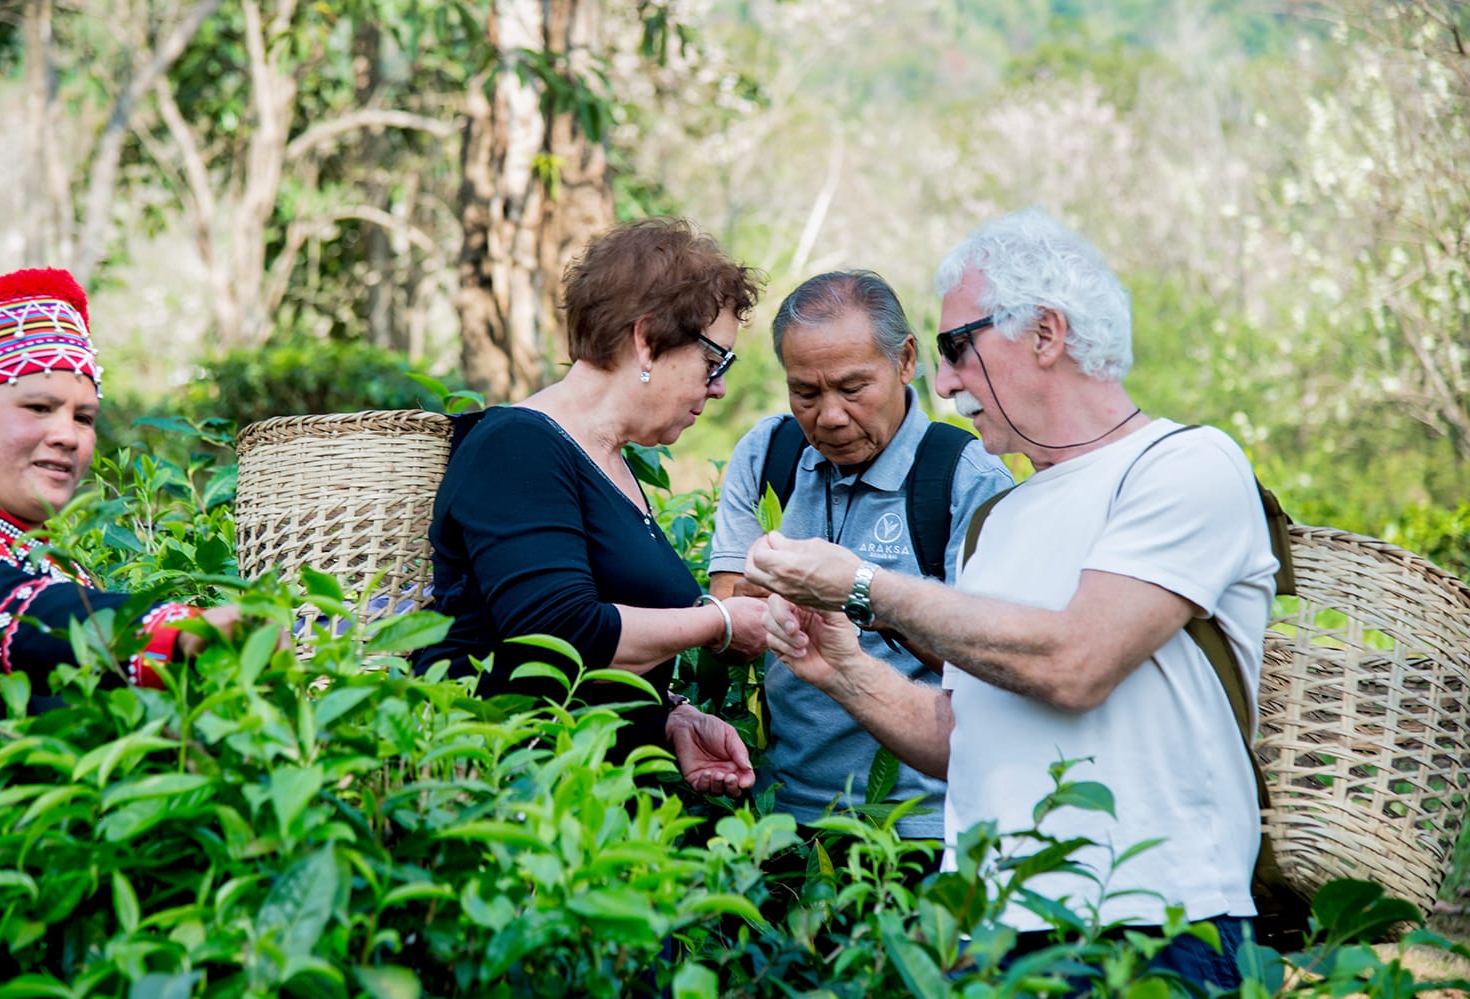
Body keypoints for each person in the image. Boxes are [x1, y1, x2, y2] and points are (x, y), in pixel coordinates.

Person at [745, 209, 1278, 990]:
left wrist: (863, 587)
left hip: (1155, 923)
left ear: (1046, 333)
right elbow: (963, 736)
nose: (945, 380)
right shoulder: (1000, 518)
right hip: (991, 934)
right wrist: (840, 669)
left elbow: (1076, 661)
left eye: (959, 347)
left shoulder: (1184, 464)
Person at [417, 217, 769, 796]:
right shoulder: (518, 446)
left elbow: (597, 662)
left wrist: (669, 715)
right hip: (530, 807)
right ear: (647, 338)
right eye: (715, 361)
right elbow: (560, 633)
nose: (719, 387)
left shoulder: (608, 460)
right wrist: (721, 621)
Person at [706, 270, 1012, 842]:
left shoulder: (963, 478)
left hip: (915, 826)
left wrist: (860, 595)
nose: (830, 416)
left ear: (905, 361)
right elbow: (726, 618)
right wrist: (753, 603)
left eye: (852, 388)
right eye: (805, 392)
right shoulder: (768, 455)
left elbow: (994, 669)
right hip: (779, 813)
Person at [0, 268, 241, 717]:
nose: (68, 435)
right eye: (39, 408)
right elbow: (8, 614)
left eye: (83, 418)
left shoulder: (61, 563)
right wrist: (176, 631)